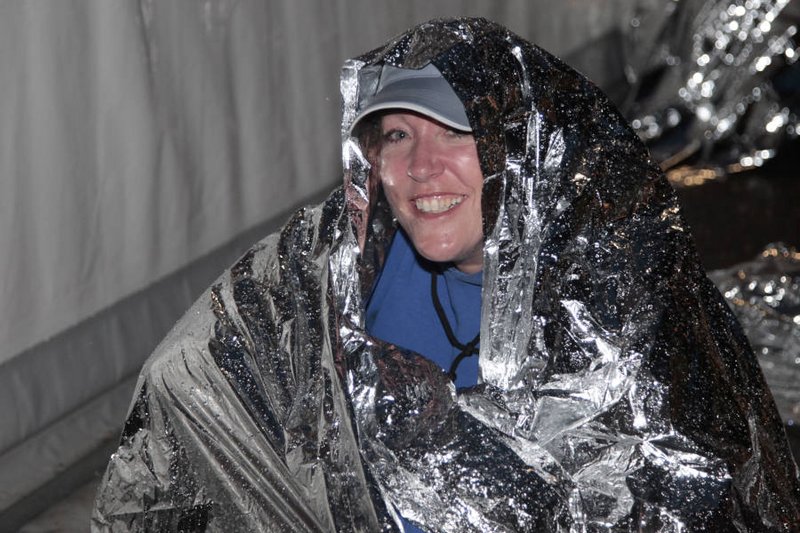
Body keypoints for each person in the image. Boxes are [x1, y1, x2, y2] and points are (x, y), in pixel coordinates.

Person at [92, 17, 800, 531]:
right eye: (397, 135)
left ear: (518, 148)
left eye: (456, 132)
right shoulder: (333, 274)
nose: (421, 168)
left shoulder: (622, 306)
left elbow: (686, 489)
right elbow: (189, 381)